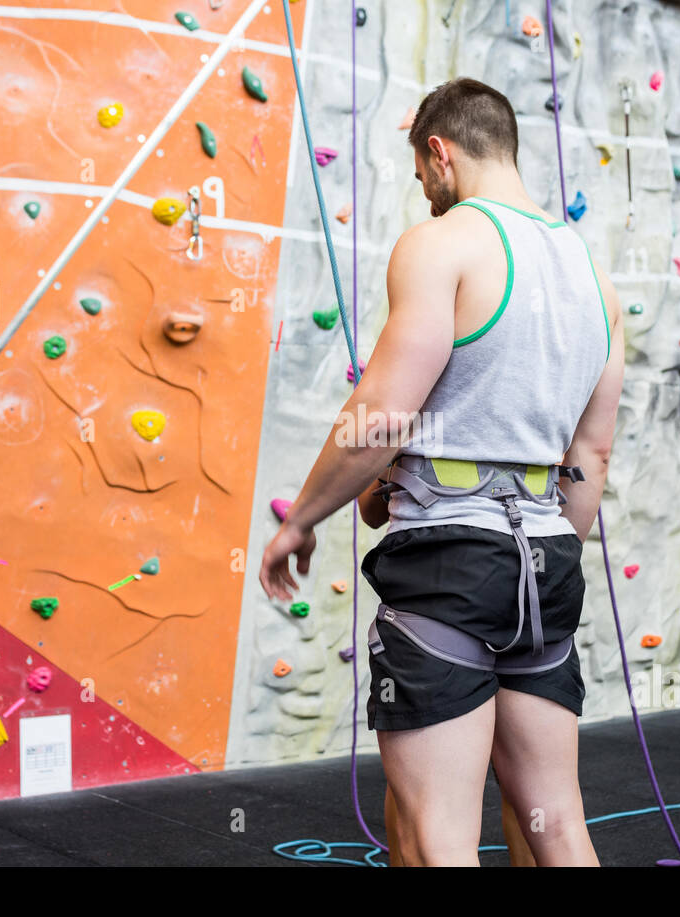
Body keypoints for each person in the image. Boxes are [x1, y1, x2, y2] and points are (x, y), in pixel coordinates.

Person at [260, 76, 625, 866]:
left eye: (421, 173)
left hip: (451, 567)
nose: (423, 191)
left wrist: (300, 520)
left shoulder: (442, 243)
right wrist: (543, 559)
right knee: (555, 822)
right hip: (547, 566)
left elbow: (384, 413)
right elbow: (589, 456)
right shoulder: (595, 279)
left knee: (438, 835)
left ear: (440, 151)